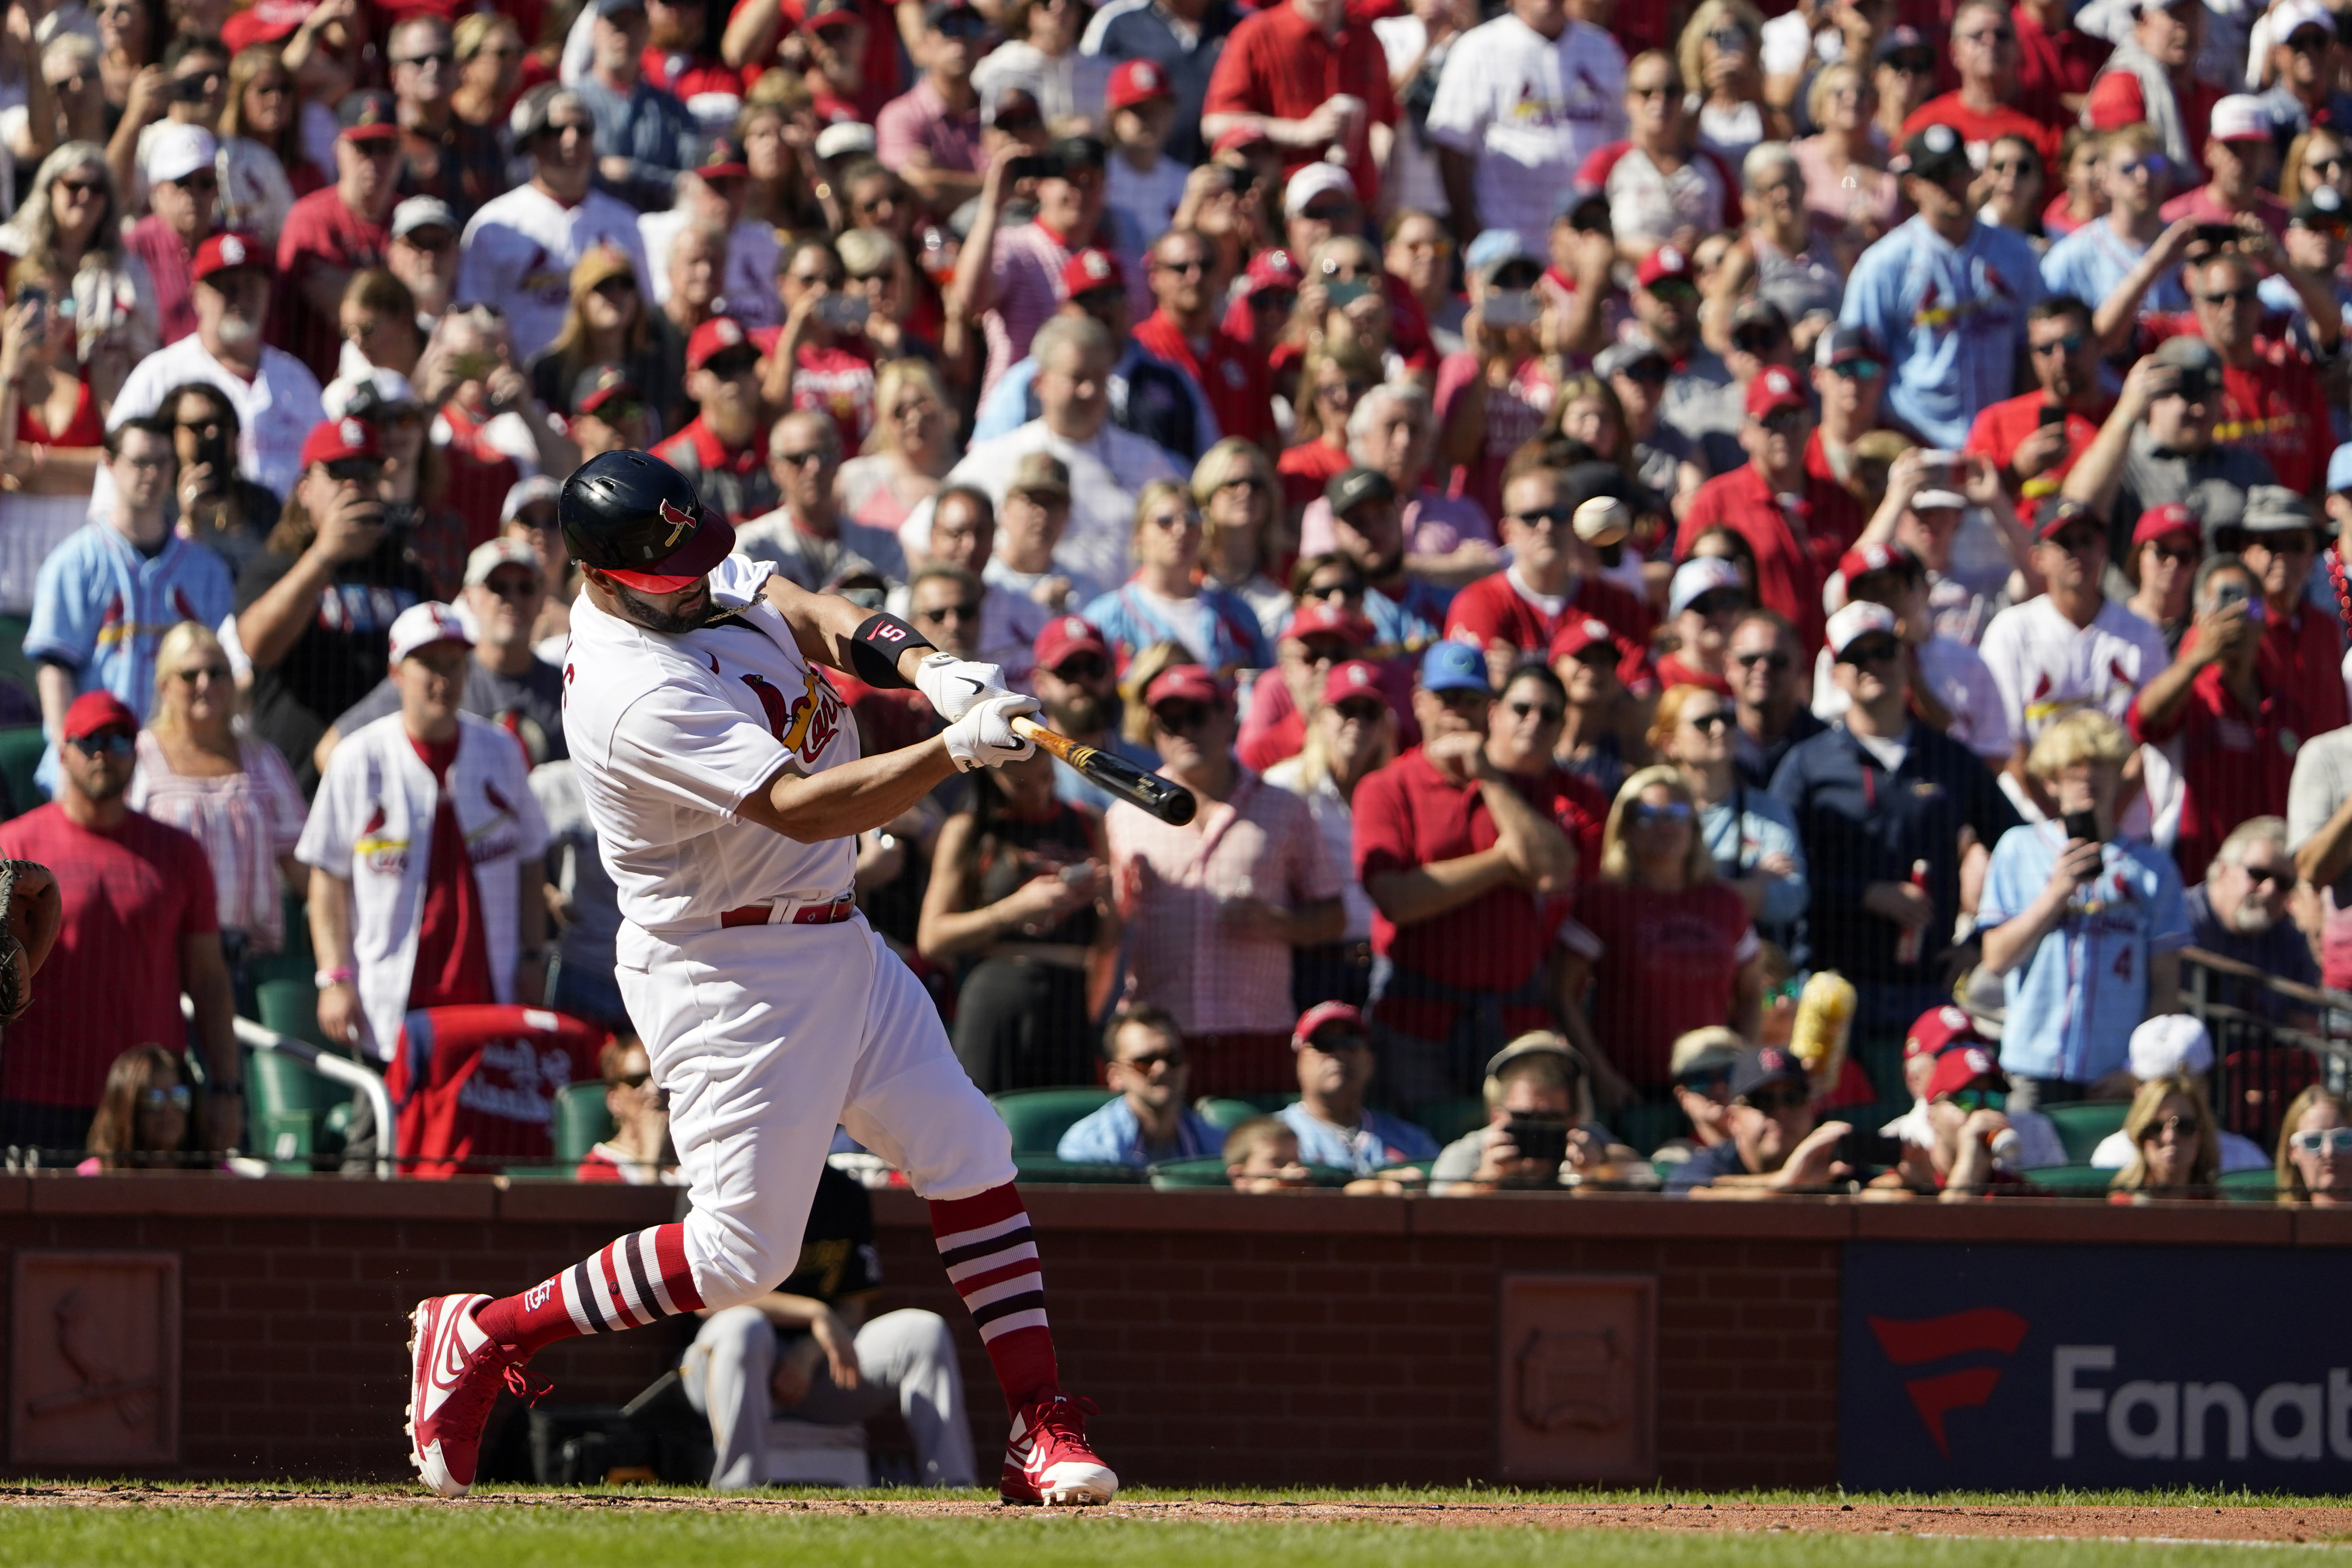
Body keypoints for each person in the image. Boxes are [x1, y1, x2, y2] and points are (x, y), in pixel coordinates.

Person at [404, 448, 1118, 1508]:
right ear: (598, 575)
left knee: (968, 1147)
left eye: (697, 556)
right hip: (726, 967)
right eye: (668, 571)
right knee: (742, 1258)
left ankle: (1037, 1423)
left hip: (833, 932)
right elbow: (799, 805)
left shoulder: (690, 576)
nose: (696, 579)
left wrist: (923, 665)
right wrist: (950, 750)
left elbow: (807, 607)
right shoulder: (627, 691)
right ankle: (482, 1331)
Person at [299, 601, 550, 1064]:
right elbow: (326, 875)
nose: (444, 679)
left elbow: (531, 857)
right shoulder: (360, 757)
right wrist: (333, 978)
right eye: (429, 665)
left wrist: (533, 957)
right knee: (384, 1133)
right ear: (396, 673)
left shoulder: (500, 750)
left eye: (455, 665)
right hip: (391, 1001)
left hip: (486, 992)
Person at [0, 691, 238, 1155]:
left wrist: (227, 1089)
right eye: (90, 742)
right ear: (63, 753)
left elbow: (208, 979)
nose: (104, 754)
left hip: (146, 1103)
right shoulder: (13, 846)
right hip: (33, 1095)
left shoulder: (179, 853)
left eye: (120, 741)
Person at [1771, 600, 2019, 1044]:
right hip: (1832, 990)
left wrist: (1980, 943)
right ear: (1835, 673)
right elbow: (1779, 876)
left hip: (1929, 987)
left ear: (1906, 659)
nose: (1872, 666)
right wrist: (1865, 895)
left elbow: (2020, 850)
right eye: (1856, 657)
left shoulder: (1949, 758)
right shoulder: (1807, 765)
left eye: (1884, 651)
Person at [1351, 642, 1581, 1111]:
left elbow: (1554, 872)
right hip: (1417, 1020)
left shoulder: (1517, 784)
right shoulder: (1387, 786)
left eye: (1470, 700)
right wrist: (1502, 863)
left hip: (1511, 1018)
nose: (1457, 711)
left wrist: (1489, 777)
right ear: (1419, 702)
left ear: (1490, 710)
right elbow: (1397, 898)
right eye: (1445, 697)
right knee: (1423, 1154)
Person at [1105, 663, 1343, 1094]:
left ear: (1227, 716)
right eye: (1170, 719)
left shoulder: (1284, 808)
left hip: (1258, 1033)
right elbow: (1111, 929)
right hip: (1161, 1042)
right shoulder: (1125, 815)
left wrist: (1278, 923)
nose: (1185, 731)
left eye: (1197, 715)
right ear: (1154, 728)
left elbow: (1333, 915)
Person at [680, 1162, 978, 1489]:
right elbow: (705, 1299)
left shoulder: (843, 1191)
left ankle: (955, 1487)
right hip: (722, 1368)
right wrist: (813, 1313)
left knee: (924, 1333)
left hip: (818, 1374)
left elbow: (852, 1309)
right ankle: (737, 1489)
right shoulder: (719, 1183)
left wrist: (809, 1353)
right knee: (745, 1327)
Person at [1979, 709, 2188, 1110]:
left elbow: (2165, 984)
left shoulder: (2153, 867)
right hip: (2032, 1065)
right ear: (2051, 781)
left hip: (2112, 1072)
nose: (2088, 778)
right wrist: (2056, 893)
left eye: (2101, 766)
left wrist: (2135, 1069)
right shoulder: (2018, 849)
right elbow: (1995, 958)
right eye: (2074, 768)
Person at [26, 417, 232, 795]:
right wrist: (67, 756)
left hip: (181, 772)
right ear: (110, 464)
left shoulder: (207, 569)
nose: (152, 474)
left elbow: (227, 670)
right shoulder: (74, 561)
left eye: (162, 463)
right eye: (139, 462)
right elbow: (55, 669)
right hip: (98, 757)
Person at [234, 417, 433, 791]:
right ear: (305, 489)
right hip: (298, 787)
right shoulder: (276, 566)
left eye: (368, 472)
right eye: (340, 472)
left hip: (390, 784)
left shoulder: (407, 575)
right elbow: (258, 646)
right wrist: (325, 554)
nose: (355, 485)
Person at [925, 315, 1183, 598]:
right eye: (1078, 378)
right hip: (1023, 629)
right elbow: (921, 536)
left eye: (1100, 378)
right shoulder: (999, 456)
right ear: (1040, 383)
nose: (1091, 391)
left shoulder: (1144, 459)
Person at [1559, 764, 1762, 1101]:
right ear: (1625, 827)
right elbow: (1562, 994)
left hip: (1711, 1088)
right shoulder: (1602, 902)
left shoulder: (1724, 903)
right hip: (1629, 1088)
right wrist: (1601, 1075)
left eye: (1676, 813)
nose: (1664, 826)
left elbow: (1752, 993)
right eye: (1647, 815)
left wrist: (1740, 1068)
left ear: (1694, 826)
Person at [1839, 123, 2044, 453]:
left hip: (2000, 444)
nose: (1949, 183)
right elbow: (1858, 360)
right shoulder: (1884, 263)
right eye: (1935, 175)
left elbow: (2031, 351)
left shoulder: (2016, 254)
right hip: (1916, 440)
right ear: (1912, 185)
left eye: (1956, 170)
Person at [918, 746, 1111, 1094]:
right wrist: (1016, 909)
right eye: (1021, 784)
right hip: (997, 993)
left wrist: (1100, 897)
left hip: (1070, 998)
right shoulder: (970, 830)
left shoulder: (1088, 822)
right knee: (984, 1123)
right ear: (992, 775)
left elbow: (1111, 932)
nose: (1038, 793)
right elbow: (932, 937)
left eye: (1046, 778)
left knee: (1063, 1127)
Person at [125, 622, 305, 991]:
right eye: (190, 674)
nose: (205, 684)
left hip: (249, 960)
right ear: (165, 686)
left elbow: (301, 861)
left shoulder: (262, 757)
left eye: (217, 672)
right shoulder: (140, 757)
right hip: (163, 955)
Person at [1977, 497, 2169, 817]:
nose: (2078, 552)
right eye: (2065, 543)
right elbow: (2009, 749)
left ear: (2103, 549)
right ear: (2037, 558)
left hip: (2125, 825)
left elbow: (2149, 743)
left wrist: (2107, 821)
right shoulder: (2010, 631)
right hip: (2035, 824)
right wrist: (2061, 827)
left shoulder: (2141, 633)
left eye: (2087, 541)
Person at [108, 229, 324, 500]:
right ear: (197, 296)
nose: (241, 299)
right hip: (186, 537)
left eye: (250, 286)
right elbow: (114, 476)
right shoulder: (159, 375)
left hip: (283, 537)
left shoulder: (297, 380)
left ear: (268, 291)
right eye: (227, 288)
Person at [320, 539, 569, 769]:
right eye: (498, 587)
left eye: (525, 587)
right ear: (469, 598)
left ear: (542, 599)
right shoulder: (438, 671)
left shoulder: (568, 686)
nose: (512, 599)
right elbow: (331, 750)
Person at [2126, 553, 2292, 885]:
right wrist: (2199, 655)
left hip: (2269, 889)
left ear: (2263, 619)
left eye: (2248, 608)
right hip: (2197, 882)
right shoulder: (2191, 695)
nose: (2236, 620)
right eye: (2223, 606)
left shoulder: (2283, 705)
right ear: (2198, 616)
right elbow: (2141, 723)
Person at [1674, 367, 1863, 656]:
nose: (1784, 432)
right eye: (1771, 422)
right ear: (1745, 433)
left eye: (1793, 419)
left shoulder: (1841, 501)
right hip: (1758, 670)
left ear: (1811, 424)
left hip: (1833, 666)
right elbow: (1686, 593)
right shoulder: (1716, 501)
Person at [455, 88, 650, 363]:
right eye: (555, 130)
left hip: (605, 384)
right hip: (522, 383)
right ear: (530, 142)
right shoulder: (494, 225)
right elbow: (472, 318)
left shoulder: (624, 222)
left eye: (582, 130)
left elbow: (645, 313)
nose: (571, 140)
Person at [1423, 0, 1626, 254]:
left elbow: (1624, 140)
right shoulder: (1480, 47)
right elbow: (1451, 145)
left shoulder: (1602, 48)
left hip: (1587, 239)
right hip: (1507, 238)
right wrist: (1468, 227)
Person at [2060, 341, 2275, 561]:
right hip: (2133, 595)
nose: (2199, 409)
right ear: (2154, 393)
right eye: (2189, 395)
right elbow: (2075, 510)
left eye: (2210, 395)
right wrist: (2127, 411)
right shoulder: (2120, 461)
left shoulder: (2249, 467)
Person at [1447, 462, 1653, 686]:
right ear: (1508, 532)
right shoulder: (1478, 602)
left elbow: (1644, 696)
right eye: (1531, 517)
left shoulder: (1619, 604)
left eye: (1560, 514)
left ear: (1576, 524)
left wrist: (1520, 674)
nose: (1546, 527)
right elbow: (1466, 698)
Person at [1200, 0, 1395, 214]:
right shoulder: (1259, 33)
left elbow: (1386, 121)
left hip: (1355, 209)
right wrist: (1301, 131)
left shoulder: (1366, 37)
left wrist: (1381, 179)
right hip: (1285, 208)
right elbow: (1215, 124)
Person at [1652, 682, 1807, 951]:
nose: (1720, 729)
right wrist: (1751, 887)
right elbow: (1652, 900)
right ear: (1671, 744)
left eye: (1727, 719)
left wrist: (1692, 890)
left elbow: (1791, 898)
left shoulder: (1768, 811)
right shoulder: (1655, 812)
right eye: (1703, 722)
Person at [382, 1003, 610, 1177]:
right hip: (436, 1196)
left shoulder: (588, 1043)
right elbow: (394, 1096)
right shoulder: (429, 1033)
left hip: (534, 1200)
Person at [271, 90, 402, 384]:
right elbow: (333, 308)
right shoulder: (311, 218)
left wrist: (348, 287)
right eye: (364, 148)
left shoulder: (409, 218)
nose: (375, 161)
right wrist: (397, 295)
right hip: (317, 381)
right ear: (338, 150)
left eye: (386, 148)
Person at [1082, 480, 1272, 676]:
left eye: (1191, 521)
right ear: (1139, 534)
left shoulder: (1236, 613)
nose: (1181, 531)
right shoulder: (1107, 618)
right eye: (1165, 522)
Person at [1427, 1032, 1637, 1189]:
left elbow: (1640, 1173)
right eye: (1523, 1117)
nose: (1536, 1128)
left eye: (1551, 1119)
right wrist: (1487, 1180)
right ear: (1497, 1118)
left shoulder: (1587, 1146)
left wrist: (1593, 1176)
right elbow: (1437, 1214)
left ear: (1572, 1121)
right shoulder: (1470, 1155)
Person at [1962, 295, 2113, 504]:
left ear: (2096, 344)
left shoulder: (2124, 415)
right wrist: (2016, 473)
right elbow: (1969, 512)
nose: (2061, 359)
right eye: (2046, 349)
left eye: (2072, 344)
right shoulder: (1996, 422)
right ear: (2032, 355)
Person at [738, 411, 909, 592]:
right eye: (799, 459)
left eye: (824, 455)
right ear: (775, 468)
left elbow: (899, 605)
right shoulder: (754, 546)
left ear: (840, 458)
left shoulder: (880, 543)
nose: (814, 468)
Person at [1276, 1001, 1439, 1174]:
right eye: (1323, 1043)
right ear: (1297, 1062)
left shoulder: (1412, 1140)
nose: (1339, 1053)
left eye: (1350, 1042)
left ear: (1371, 1061)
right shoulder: (1270, 1139)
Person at [1665, 1044, 1853, 1193]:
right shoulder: (1712, 1165)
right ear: (1733, 1119)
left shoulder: (1830, 1163)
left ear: (1812, 1109)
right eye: (1762, 1101)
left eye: (1793, 1099)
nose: (1781, 1112)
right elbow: (1690, 1193)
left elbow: (1878, 1191)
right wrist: (1786, 1181)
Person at [1898, 0, 2060, 169]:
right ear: (1955, 53)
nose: (1991, 43)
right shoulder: (1925, 122)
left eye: (2002, 35)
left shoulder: (2051, 122)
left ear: (2019, 48)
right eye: (1977, 36)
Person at [1056, 1003, 1224, 1165]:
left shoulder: (1220, 1148)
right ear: (1115, 1076)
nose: (1162, 1068)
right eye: (1145, 1061)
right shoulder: (1089, 1149)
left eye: (1172, 1057)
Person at [1864, 1038, 2028, 1199]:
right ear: (1931, 1116)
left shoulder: (2020, 1194)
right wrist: (1967, 1170)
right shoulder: (1903, 1184)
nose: (1981, 1111)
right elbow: (1945, 1225)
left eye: (1994, 1099)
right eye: (1965, 1100)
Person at [651, 316, 777, 524]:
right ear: (692, 384)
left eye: (745, 363)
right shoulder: (668, 465)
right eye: (721, 366)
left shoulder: (784, 452)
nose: (736, 376)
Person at [1030, 614, 1160, 813]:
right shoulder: (1025, 772)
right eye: (1068, 670)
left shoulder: (1150, 766)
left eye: (1094, 667)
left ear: (1111, 673)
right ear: (1040, 683)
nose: (1083, 680)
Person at [874, 0, 989, 218]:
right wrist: (998, 186)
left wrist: (942, 178)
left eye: (972, 28)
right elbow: (925, 189)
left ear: (984, 45)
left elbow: (1027, 187)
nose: (961, 39)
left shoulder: (1000, 110)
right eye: (948, 29)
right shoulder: (900, 115)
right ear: (923, 45)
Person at [123, 122, 218, 348]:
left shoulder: (229, 245)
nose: (194, 194)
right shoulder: (133, 248)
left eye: (205, 183)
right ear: (156, 191)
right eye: (182, 183)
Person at [839, 358, 956, 538]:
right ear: (883, 420)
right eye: (900, 411)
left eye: (923, 405)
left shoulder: (968, 474)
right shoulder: (856, 479)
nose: (915, 418)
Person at [1726, 608, 1824, 785]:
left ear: (1801, 666)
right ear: (1728, 666)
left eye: (1778, 661)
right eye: (1749, 660)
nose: (1762, 669)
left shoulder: (1826, 746)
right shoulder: (1711, 737)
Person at [78, 1044, 197, 1171]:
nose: (168, 1109)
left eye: (179, 1095)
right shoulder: (95, 1175)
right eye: (153, 1099)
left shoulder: (215, 1172)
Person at [575, 1036, 675, 1181]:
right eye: (637, 1081)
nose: (654, 1090)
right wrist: (650, 1161)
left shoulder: (688, 1155)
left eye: (660, 1080)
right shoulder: (600, 1168)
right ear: (614, 1100)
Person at [2106, 1072, 2220, 1199]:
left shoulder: (2219, 1209)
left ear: (2201, 1134)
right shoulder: (2122, 1208)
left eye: (2185, 1127)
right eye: (2156, 1128)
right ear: (2140, 1137)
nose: (2170, 1138)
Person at [2120, 502, 2202, 652]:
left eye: (2185, 556)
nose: (2173, 563)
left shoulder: (2203, 632)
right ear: (2139, 556)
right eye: (2162, 552)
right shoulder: (2109, 622)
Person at [2275, 1083, 2352, 1205]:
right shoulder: (2274, 1223)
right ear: (2293, 1152)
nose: (2329, 1151)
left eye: (2342, 1139)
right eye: (2313, 1141)